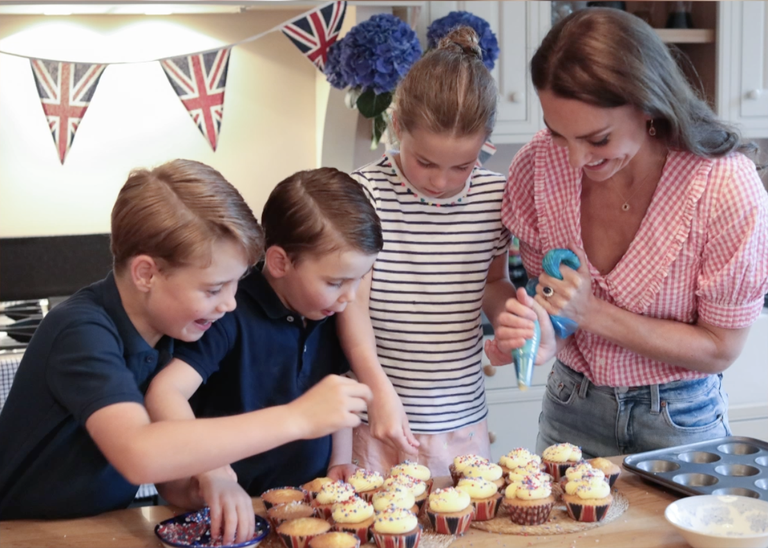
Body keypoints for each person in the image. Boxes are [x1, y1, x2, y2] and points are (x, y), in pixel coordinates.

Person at [0, 160, 371, 533]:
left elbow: (169, 481)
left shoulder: (170, 332)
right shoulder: (80, 330)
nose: (229, 304)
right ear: (146, 274)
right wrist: (298, 418)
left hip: (97, 525)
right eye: (213, 289)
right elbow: (138, 454)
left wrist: (209, 475)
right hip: (19, 530)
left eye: (235, 284)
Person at [489, 8, 768, 458]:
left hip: (680, 423)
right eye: (559, 134)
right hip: (570, 407)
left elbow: (720, 348)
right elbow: (558, 312)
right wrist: (537, 333)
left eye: (598, 139)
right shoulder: (537, 165)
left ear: (649, 105)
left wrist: (592, 313)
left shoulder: (724, 187)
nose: (575, 159)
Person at [145, 167, 382, 541]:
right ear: (279, 263)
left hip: (306, 507)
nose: (349, 296)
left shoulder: (327, 312)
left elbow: (337, 394)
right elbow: (165, 392)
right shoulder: (228, 311)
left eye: (360, 279)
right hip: (232, 511)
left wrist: (339, 460)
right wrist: (211, 470)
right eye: (336, 282)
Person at [338, 27, 521, 475]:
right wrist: (378, 389)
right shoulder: (364, 194)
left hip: (461, 423)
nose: (441, 182)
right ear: (398, 125)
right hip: (377, 419)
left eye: (463, 165)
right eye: (425, 162)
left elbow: (494, 282)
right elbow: (352, 304)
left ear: (486, 142)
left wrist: (510, 320)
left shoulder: (495, 197)